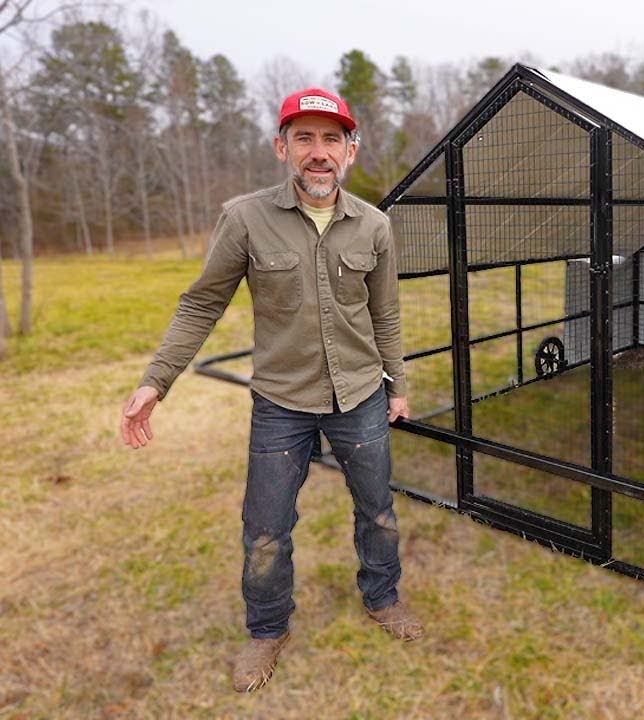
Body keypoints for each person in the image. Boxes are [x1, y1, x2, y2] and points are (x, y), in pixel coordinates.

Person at [119, 87, 423, 694]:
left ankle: (383, 597)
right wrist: (158, 380)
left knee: (378, 512)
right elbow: (202, 302)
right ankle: (266, 630)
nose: (319, 152)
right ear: (281, 147)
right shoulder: (245, 218)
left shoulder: (375, 225)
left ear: (351, 151)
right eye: (304, 138)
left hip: (360, 397)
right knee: (265, 528)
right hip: (281, 404)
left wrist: (398, 384)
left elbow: (385, 314)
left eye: (331, 139)